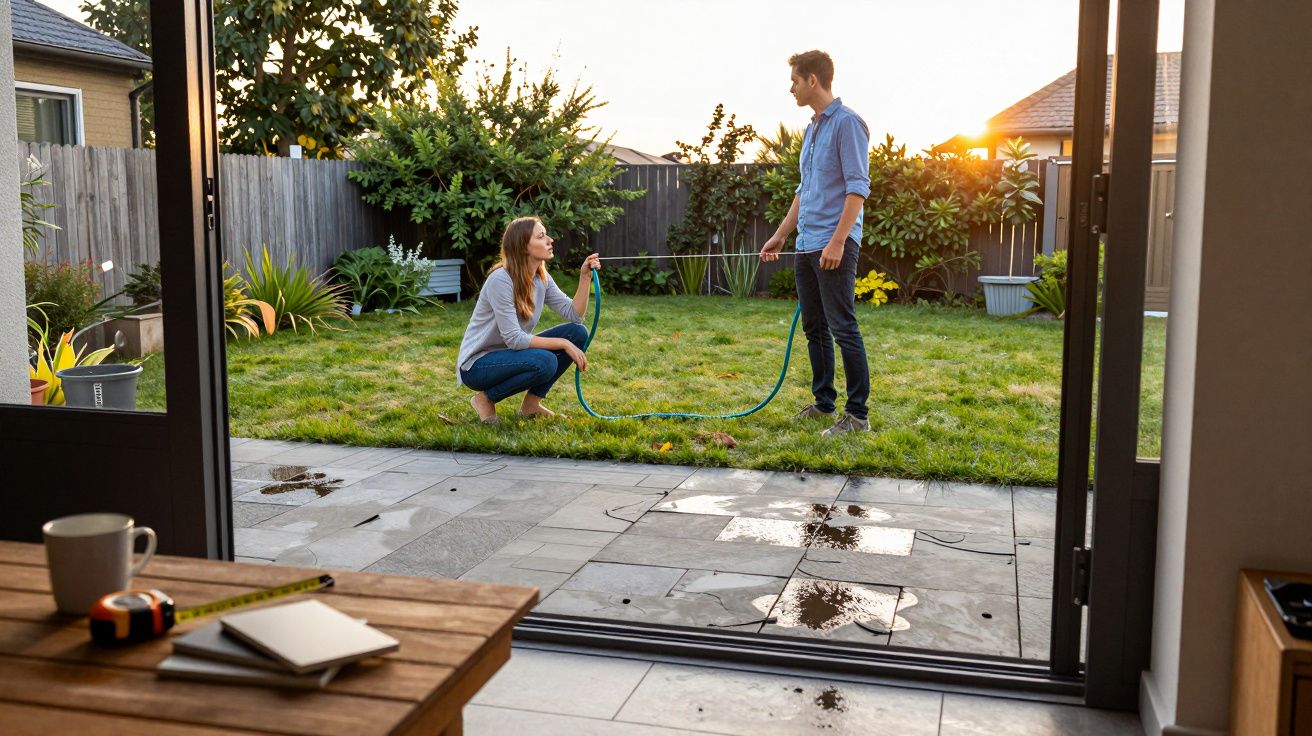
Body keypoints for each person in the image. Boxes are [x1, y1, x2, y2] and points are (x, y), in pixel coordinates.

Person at [760, 49, 872, 437]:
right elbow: (803, 191)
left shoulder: (848, 124)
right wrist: (782, 233)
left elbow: (857, 190)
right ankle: (825, 404)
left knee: (843, 327)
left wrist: (838, 242)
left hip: (833, 243)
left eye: (794, 80)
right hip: (807, 243)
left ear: (812, 80)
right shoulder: (812, 129)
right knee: (814, 327)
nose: (790, 87)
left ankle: (857, 415)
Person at [457, 216, 600, 424]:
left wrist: (584, 277)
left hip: (509, 354)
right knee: (546, 361)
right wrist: (562, 344)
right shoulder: (501, 280)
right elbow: (514, 339)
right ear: (524, 247)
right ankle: (485, 400)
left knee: (577, 333)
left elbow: (575, 315)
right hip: (478, 365)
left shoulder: (541, 277)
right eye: (541, 236)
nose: (550, 240)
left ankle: (531, 405)